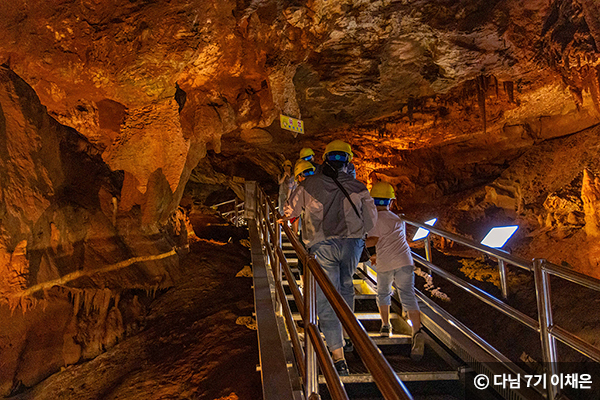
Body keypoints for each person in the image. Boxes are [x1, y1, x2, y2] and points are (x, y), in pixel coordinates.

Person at [283, 140, 377, 376]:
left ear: (324, 159)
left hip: (322, 245)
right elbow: (372, 221)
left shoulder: (310, 184)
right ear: (349, 160)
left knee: (326, 296)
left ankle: (338, 355)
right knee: (346, 288)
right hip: (351, 245)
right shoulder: (358, 186)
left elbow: (289, 211)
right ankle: (349, 335)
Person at [366, 181, 425, 362]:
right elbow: (391, 239)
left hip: (386, 263)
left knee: (383, 292)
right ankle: (417, 331)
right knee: (407, 295)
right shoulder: (397, 218)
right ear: (390, 202)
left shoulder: (373, 218)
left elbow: (374, 239)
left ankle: (386, 325)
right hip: (404, 261)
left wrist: (357, 245)